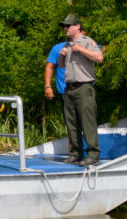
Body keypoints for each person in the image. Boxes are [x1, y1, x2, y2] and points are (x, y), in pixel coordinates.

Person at [45, 14, 104, 164]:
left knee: (87, 122)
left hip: (84, 87)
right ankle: (76, 153)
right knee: (72, 123)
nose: (65, 29)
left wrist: (81, 50)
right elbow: (62, 66)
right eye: (64, 26)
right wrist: (61, 57)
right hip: (69, 88)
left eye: (68, 26)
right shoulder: (65, 45)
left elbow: (99, 58)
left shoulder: (86, 41)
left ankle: (93, 155)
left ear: (77, 26)